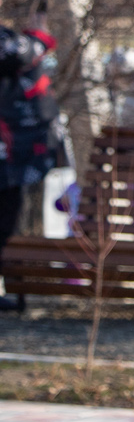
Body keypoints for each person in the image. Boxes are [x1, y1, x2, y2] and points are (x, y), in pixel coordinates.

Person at [0, 16, 63, 314]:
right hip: (9, 151)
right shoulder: (13, 46)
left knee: (7, 220)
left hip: (10, 158)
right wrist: (38, 34)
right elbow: (23, 51)